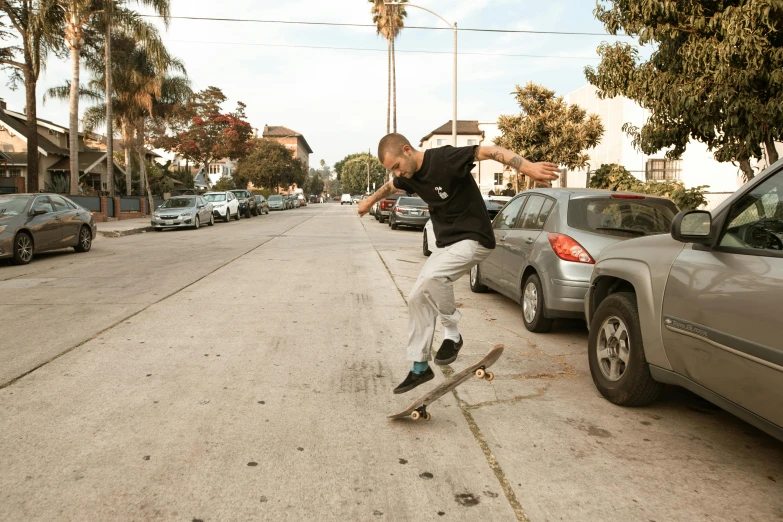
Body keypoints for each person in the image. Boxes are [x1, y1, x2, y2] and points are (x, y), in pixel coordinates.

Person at [357, 133, 559, 394]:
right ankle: (420, 367)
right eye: (392, 170)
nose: (399, 173)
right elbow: (391, 187)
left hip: (475, 238)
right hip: (447, 245)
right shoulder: (409, 177)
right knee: (417, 296)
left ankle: (452, 334)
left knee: (433, 278)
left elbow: (487, 151)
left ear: (407, 150)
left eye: (396, 166)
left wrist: (528, 166)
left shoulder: (444, 158)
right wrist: (368, 202)